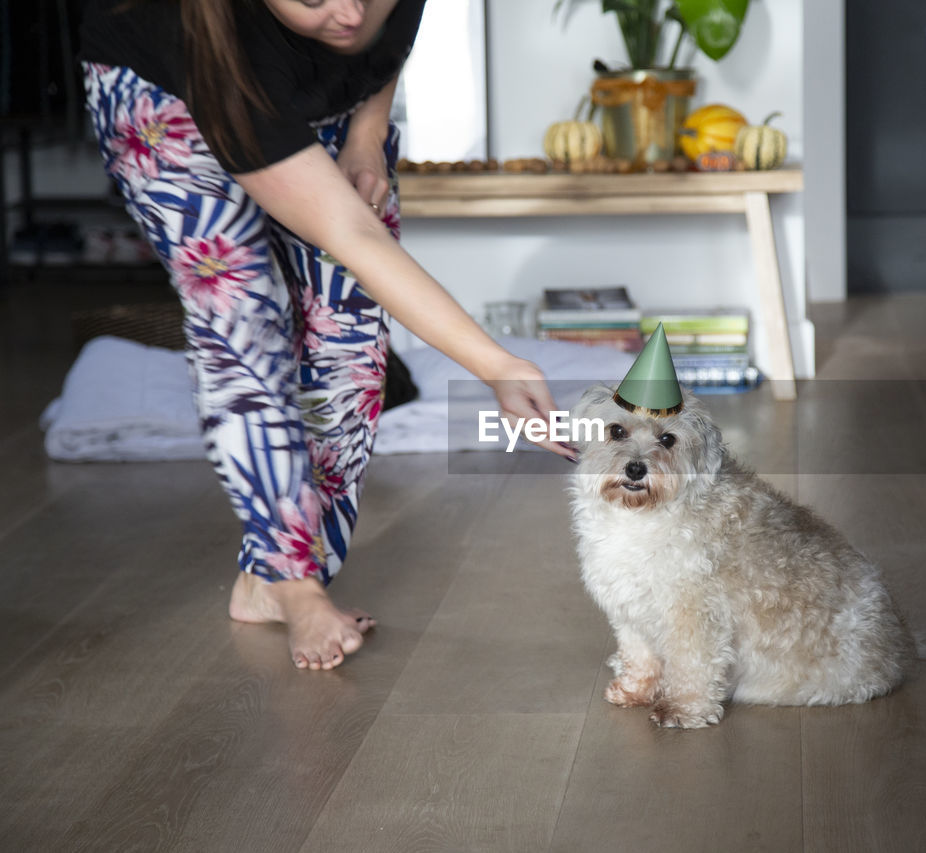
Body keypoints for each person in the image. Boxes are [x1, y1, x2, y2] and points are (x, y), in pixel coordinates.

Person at [78, 0, 576, 671]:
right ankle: (295, 586)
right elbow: (351, 232)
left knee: (350, 329)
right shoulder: (201, 40)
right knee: (239, 315)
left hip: (318, 95)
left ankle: (267, 578)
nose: (348, 13)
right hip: (174, 93)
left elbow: (388, 36)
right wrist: (495, 364)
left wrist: (369, 130)